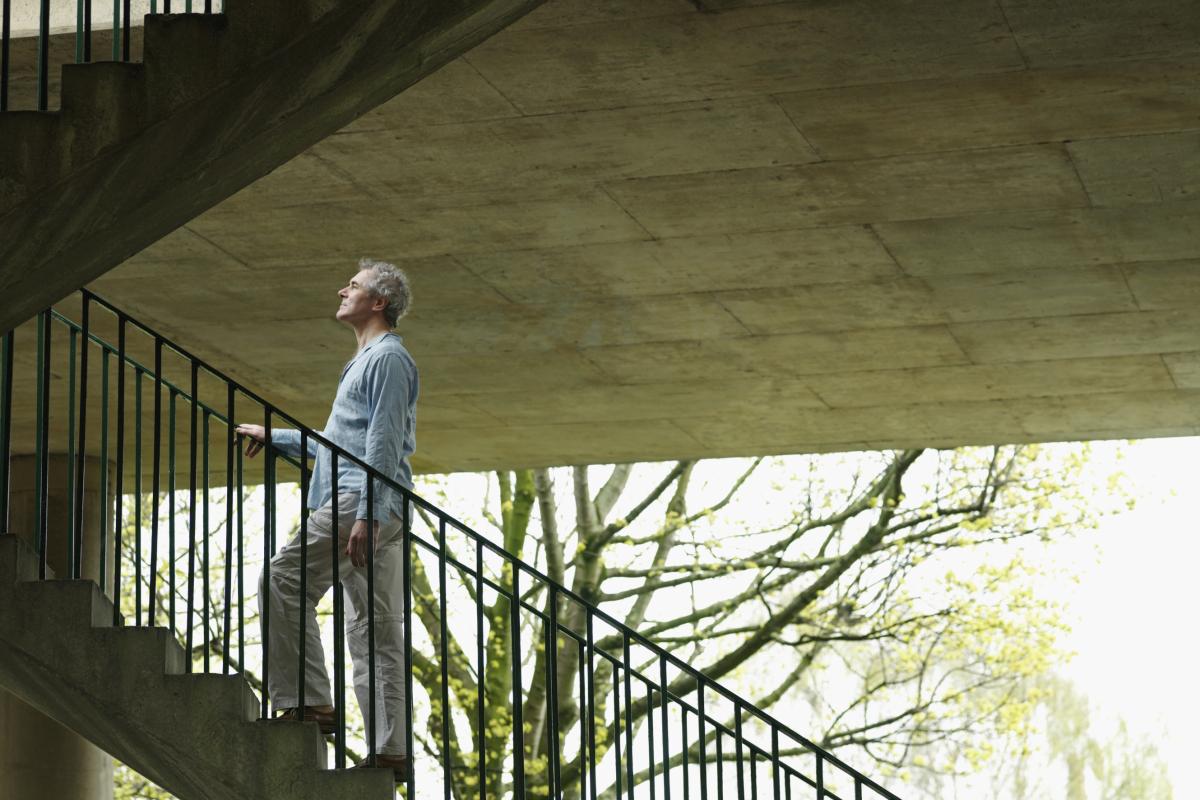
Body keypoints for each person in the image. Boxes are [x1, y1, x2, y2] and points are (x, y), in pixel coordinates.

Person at [236, 258, 418, 780]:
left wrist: (368, 511)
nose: (342, 290)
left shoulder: (386, 359)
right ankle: (391, 752)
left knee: (284, 577)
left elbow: (381, 442)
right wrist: (276, 438)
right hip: (375, 503)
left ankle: (307, 700)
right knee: (374, 630)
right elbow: (345, 445)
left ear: (378, 302)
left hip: (358, 502)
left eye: (354, 286)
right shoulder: (369, 357)